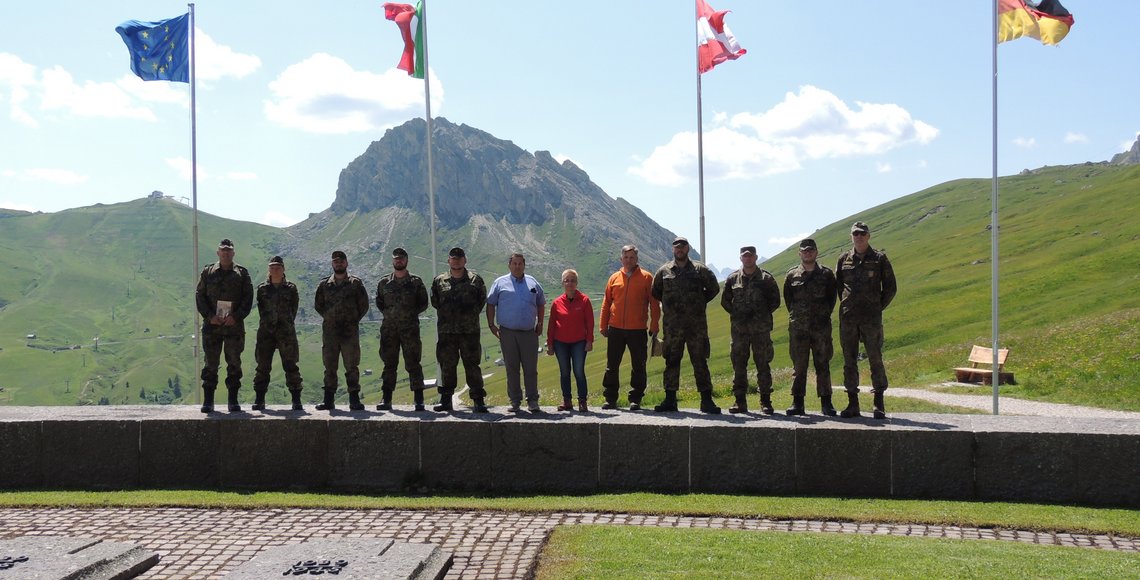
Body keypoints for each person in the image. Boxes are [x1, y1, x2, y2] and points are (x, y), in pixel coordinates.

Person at [651, 236, 721, 413]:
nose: (679, 250)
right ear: (673, 249)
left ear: (687, 248)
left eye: (682, 247)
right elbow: (656, 291)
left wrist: (699, 302)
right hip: (672, 327)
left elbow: (714, 288)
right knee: (671, 362)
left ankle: (706, 400)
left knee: (700, 361)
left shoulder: (700, 270)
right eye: (676, 247)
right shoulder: (664, 271)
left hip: (696, 326)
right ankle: (670, 400)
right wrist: (670, 305)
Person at [836, 221, 897, 419]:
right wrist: (847, 304)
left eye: (862, 233)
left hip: (871, 319)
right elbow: (839, 286)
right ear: (851, 237)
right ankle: (852, 403)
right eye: (856, 234)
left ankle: (878, 403)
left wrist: (877, 306)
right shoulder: (843, 259)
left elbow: (890, 287)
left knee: (875, 358)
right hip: (849, 319)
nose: (859, 237)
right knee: (849, 360)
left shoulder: (879, 258)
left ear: (868, 236)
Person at [195, 238, 254, 413]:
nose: (226, 253)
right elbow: (200, 295)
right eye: (223, 250)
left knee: (234, 363)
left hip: (233, 327)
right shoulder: (208, 272)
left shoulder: (242, 273)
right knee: (210, 364)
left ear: (233, 253)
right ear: (218, 253)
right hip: (212, 327)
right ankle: (208, 402)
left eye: (229, 250)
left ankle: (233, 401)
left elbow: (248, 298)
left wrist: (236, 317)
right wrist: (209, 316)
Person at [720, 246, 781, 414]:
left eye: (750, 256)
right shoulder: (733, 279)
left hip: (761, 330)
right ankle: (740, 401)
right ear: (741, 258)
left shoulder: (766, 278)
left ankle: (765, 401)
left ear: (755, 257)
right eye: (745, 256)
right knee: (739, 365)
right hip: (739, 331)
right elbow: (725, 301)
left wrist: (761, 315)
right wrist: (737, 314)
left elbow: (775, 300)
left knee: (763, 365)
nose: (748, 258)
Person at [599, 244, 661, 411]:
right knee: (612, 365)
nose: (628, 260)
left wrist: (654, 325)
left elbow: (654, 304)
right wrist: (603, 325)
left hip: (638, 329)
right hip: (615, 329)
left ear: (637, 259)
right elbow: (606, 303)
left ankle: (636, 399)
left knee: (639, 365)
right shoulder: (614, 278)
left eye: (632, 257)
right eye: (626, 257)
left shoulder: (647, 277)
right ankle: (610, 398)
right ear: (621, 259)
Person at [783, 238, 838, 416]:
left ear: (816, 252)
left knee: (823, 364)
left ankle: (826, 403)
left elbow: (831, 298)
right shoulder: (792, 275)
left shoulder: (827, 274)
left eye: (811, 250)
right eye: (804, 251)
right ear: (799, 253)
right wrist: (799, 317)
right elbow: (789, 300)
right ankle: (797, 403)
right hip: (799, 329)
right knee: (799, 366)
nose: (808, 253)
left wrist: (822, 315)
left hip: (821, 328)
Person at [486, 253, 546, 413]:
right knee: (511, 368)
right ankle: (515, 401)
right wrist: (491, 325)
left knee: (530, 368)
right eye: (514, 263)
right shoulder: (499, 283)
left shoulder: (533, 282)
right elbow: (490, 304)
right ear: (509, 265)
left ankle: (532, 400)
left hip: (529, 333)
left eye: (520, 263)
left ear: (524, 265)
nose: (517, 266)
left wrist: (540, 323)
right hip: (507, 333)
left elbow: (541, 303)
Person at [431, 247, 489, 413]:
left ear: (465, 260)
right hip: (447, 332)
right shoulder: (439, 281)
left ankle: (478, 400)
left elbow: (481, 301)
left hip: (469, 332)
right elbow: (435, 302)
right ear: (448, 261)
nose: (456, 261)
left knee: (472, 365)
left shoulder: (475, 280)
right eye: (453, 258)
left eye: (459, 258)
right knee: (447, 366)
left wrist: (467, 317)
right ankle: (446, 400)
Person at [313, 250, 370, 411]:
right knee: (330, 367)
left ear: (346, 263)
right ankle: (328, 400)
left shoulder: (355, 283)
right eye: (336, 261)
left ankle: (354, 400)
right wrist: (330, 318)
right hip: (330, 333)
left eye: (341, 261)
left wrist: (352, 320)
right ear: (332, 264)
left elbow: (364, 305)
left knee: (351, 366)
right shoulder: (324, 285)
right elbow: (318, 305)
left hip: (349, 333)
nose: (339, 264)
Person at [374, 247, 429, 411]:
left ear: (407, 260)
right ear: (393, 261)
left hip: (410, 330)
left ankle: (419, 400)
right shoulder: (384, 283)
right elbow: (379, 302)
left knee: (413, 363)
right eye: (396, 258)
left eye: (402, 258)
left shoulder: (415, 282)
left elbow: (423, 303)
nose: (399, 261)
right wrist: (391, 315)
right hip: (389, 330)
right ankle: (386, 398)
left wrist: (408, 315)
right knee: (389, 364)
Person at [251, 255, 304, 411]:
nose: (275, 270)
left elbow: (294, 309)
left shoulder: (291, 288)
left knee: (291, 366)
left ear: (283, 269)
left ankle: (296, 400)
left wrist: (285, 323)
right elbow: (261, 310)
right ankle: (259, 399)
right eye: (272, 268)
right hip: (266, 333)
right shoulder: (262, 289)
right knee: (262, 366)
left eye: (278, 268)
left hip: (286, 332)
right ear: (269, 270)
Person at [546, 269, 595, 412]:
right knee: (564, 372)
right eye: (567, 280)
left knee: (579, 371)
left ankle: (582, 401)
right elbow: (551, 325)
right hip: (560, 342)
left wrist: (589, 341)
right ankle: (567, 400)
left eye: (572, 280)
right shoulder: (556, 303)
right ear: (562, 283)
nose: (569, 283)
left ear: (577, 283)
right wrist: (550, 344)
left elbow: (590, 323)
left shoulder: (584, 301)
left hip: (579, 342)